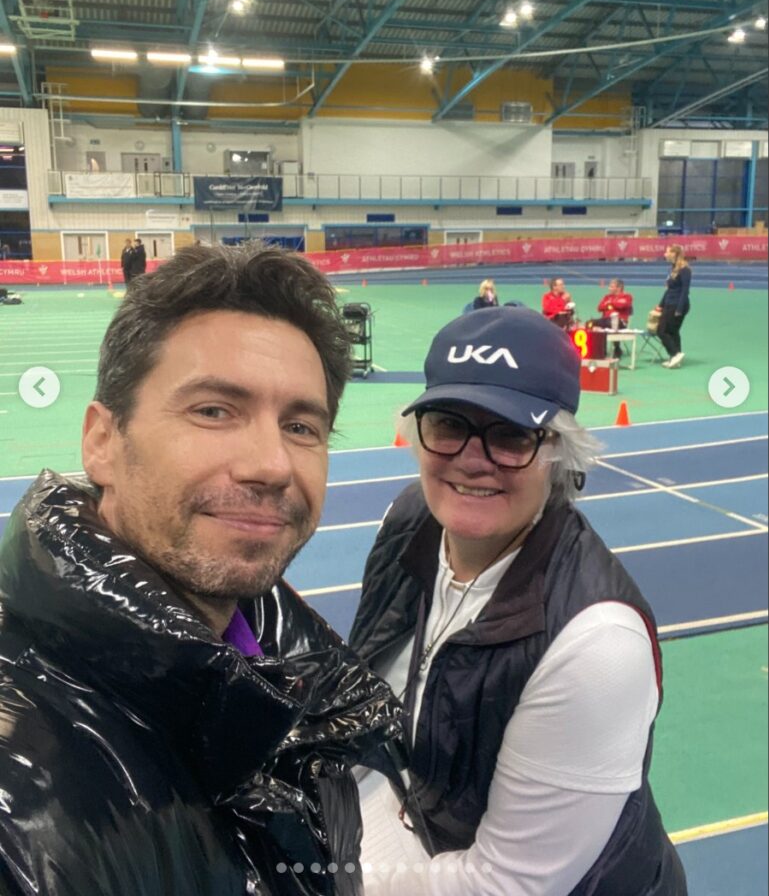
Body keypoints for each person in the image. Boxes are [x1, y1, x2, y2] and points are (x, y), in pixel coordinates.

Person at [0, 244, 401, 896]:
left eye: (302, 426)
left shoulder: (284, 669)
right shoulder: (20, 810)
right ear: (102, 441)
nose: (271, 464)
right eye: (214, 410)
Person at [350, 306, 687, 896]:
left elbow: (506, 885)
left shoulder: (597, 646)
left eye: (511, 435)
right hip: (430, 826)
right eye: (448, 424)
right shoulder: (410, 521)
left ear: (559, 452)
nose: (472, 459)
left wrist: (321, 882)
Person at [654, 244, 691, 368]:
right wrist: (661, 304)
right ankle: (675, 358)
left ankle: (675, 353)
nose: (665, 254)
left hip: (677, 304)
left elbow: (685, 290)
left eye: (667, 251)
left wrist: (679, 309)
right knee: (673, 331)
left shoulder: (685, 270)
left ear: (674, 254)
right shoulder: (672, 268)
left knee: (661, 331)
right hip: (669, 303)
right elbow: (669, 289)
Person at [592, 278, 634, 358]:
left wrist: (610, 304)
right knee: (591, 323)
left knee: (610, 323)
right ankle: (601, 351)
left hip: (621, 322)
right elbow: (599, 307)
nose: (609, 288)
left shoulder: (627, 296)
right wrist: (611, 305)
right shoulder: (607, 297)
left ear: (619, 288)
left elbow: (622, 305)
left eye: (611, 286)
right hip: (605, 321)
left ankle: (617, 349)